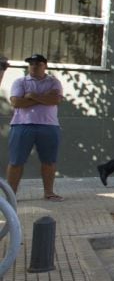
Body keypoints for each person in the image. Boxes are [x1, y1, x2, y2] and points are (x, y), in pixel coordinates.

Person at [6, 54, 64, 199]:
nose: (34, 66)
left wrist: (31, 95)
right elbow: (16, 103)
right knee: (16, 161)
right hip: (22, 125)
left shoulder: (54, 82)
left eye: (37, 64)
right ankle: (10, 196)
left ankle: (49, 193)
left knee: (49, 161)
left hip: (49, 125)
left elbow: (55, 100)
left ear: (45, 66)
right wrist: (44, 97)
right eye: (31, 64)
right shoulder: (20, 82)